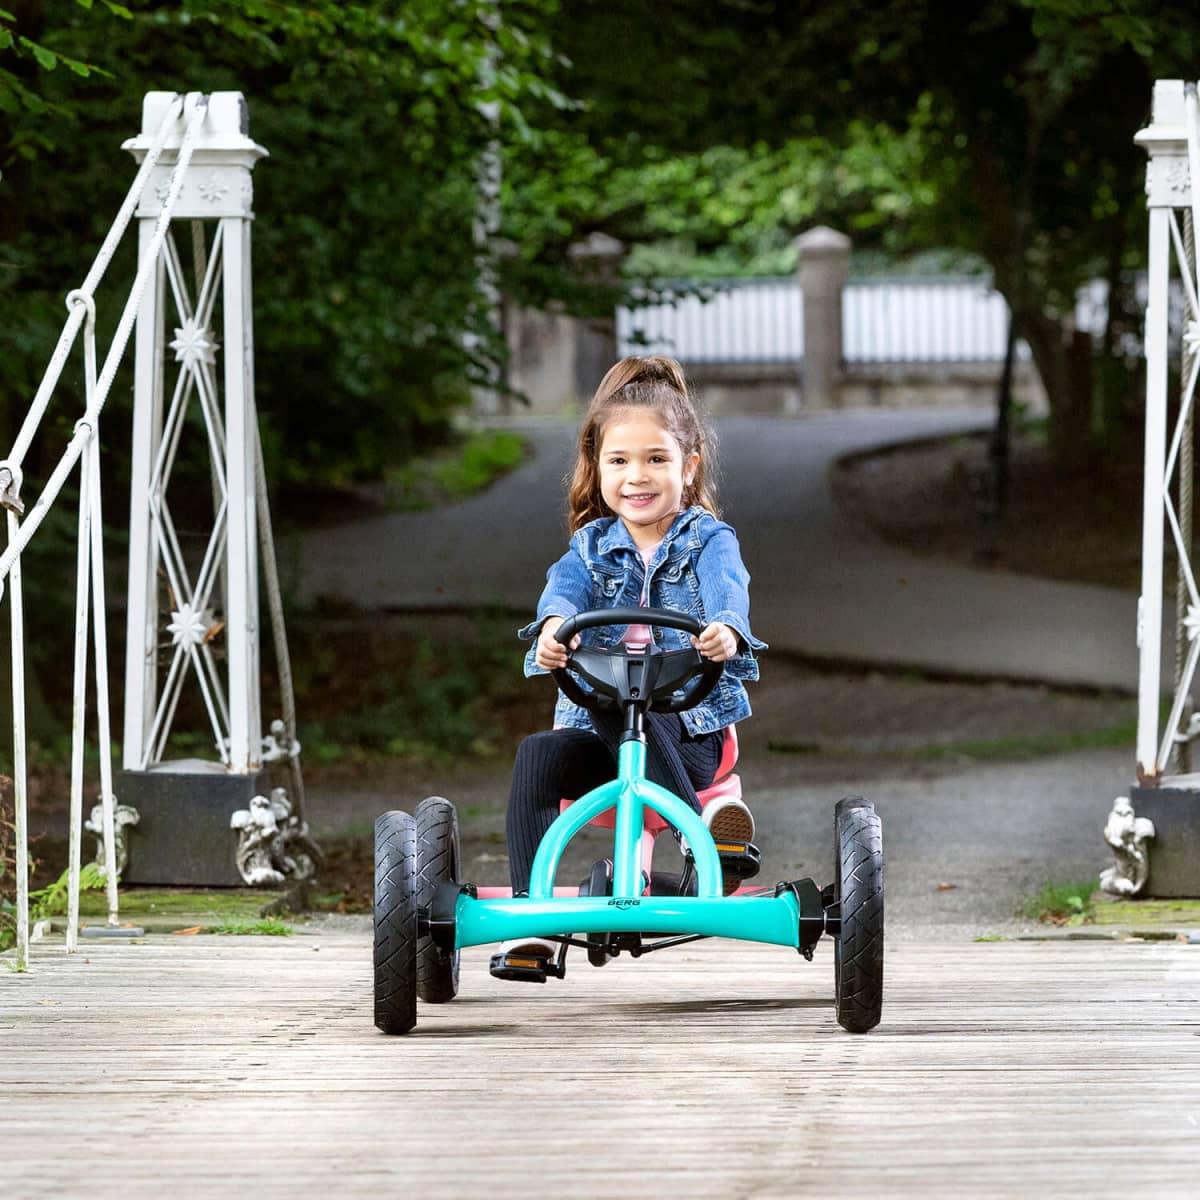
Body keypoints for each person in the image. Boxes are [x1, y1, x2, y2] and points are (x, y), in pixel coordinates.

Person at [496, 356, 766, 974]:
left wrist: (725, 628)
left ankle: (705, 839)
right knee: (539, 751)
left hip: (689, 735)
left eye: (655, 460)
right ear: (597, 469)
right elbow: (560, 595)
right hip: (602, 741)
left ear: (687, 466)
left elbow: (728, 588)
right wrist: (553, 631)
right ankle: (531, 917)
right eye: (619, 462)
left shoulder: (706, 540)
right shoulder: (588, 548)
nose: (636, 477)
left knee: (630, 699)